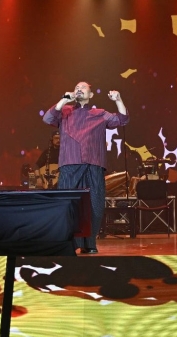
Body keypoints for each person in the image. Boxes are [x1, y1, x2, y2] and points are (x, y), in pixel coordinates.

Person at [43, 82, 129, 254]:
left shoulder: (99, 114)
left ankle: (90, 243)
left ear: (90, 95)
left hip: (93, 165)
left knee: (95, 206)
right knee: (69, 205)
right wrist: (63, 100)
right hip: (70, 163)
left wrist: (118, 100)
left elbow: (122, 119)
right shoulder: (65, 111)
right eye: (76, 88)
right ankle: (71, 244)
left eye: (83, 88)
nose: (79, 89)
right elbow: (47, 118)